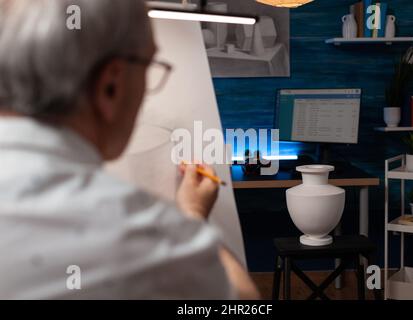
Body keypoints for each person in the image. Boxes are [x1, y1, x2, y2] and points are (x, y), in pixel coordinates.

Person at [0, 0, 259, 299]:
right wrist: (193, 216)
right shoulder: (144, 235)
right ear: (111, 84)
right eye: (150, 67)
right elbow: (244, 301)